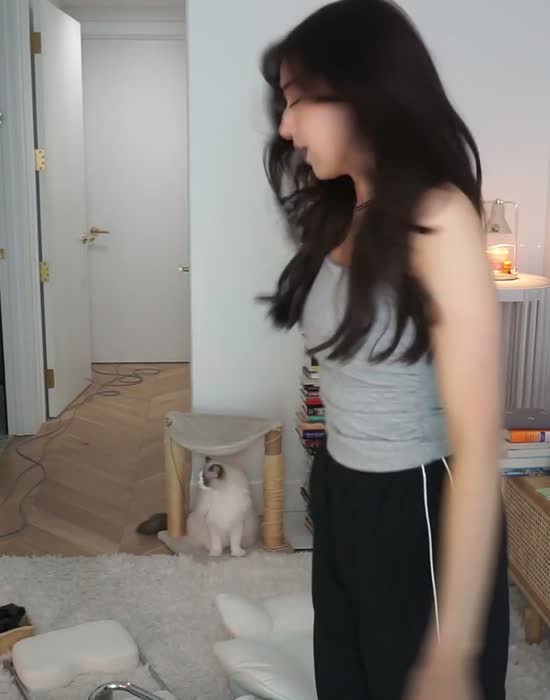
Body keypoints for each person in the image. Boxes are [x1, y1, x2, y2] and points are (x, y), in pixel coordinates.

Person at [258, 1, 510, 699]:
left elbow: (479, 446)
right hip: (341, 485)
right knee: (346, 678)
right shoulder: (343, 213)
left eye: (298, 100)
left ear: (363, 90)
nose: (285, 127)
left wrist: (454, 650)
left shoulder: (437, 219)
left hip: (413, 502)